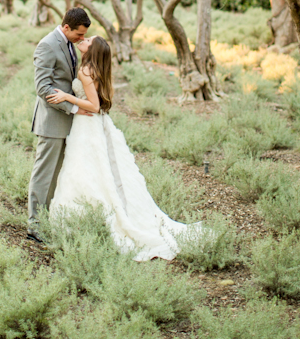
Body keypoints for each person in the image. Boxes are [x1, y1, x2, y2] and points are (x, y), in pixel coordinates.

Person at [47, 34, 198, 261]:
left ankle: (82, 217)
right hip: (92, 125)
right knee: (93, 170)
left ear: (92, 49)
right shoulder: (94, 69)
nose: (84, 39)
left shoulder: (85, 72)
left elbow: (94, 106)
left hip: (87, 124)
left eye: (88, 39)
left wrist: (68, 97)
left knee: (83, 169)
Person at [27, 7, 92, 243]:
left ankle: (50, 219)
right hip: (52, 121)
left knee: (58, 175)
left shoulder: (69, 43)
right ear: (66, 27)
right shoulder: (47, 45)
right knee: (44, 174)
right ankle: (35, 226)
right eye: (79, 35)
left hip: (67, 122)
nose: (81, 39)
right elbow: (43, 88)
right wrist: (74, 108)